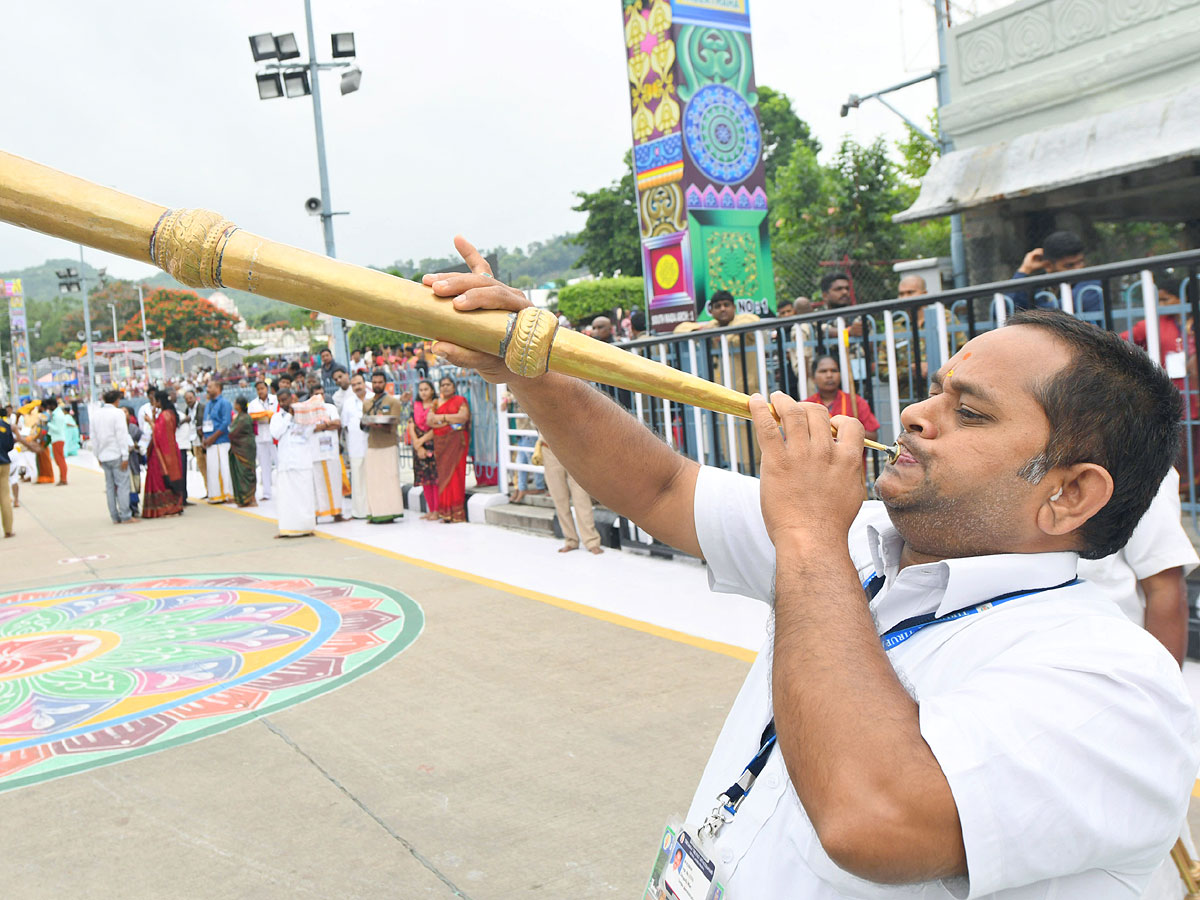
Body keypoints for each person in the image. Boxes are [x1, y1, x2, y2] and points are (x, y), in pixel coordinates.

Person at [425, 238, 1199, 897]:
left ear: (1069, 495)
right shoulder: (858, 542)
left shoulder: (1116, 681)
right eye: (934, 393)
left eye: (969, 412)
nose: (914, 417)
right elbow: (660, 486)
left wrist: (804, 535)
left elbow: (876, 817)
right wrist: (533, 370)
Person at [1009, 230, 1101, 312]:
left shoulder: (1091, 285)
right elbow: (1003, 309)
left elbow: (1060, 312)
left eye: (1081, 262)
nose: (1079, 269)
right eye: (1069, 265)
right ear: (1048, 265)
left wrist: (1029, 312)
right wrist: (1024, 270)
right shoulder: (1038, 287)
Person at [541, 437, 602, 554]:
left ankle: (591, 541)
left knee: (581, 497)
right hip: (549, 449)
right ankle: (570, 540)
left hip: (573, 448)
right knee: (559, 498)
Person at [269, 389, 317, 537]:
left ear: (293, 398)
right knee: (286, 498)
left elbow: (310, 430)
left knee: (305, 496)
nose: (283, 403)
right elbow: (276, 433)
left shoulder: (305, 414)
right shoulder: (277, 417)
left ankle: (306, 528)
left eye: (285, 400)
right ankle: (286, 529)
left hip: (302, 460)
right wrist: (289, 416)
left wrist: (297, 417)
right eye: (280, 401)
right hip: (285, 462)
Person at [803, 355, 881, 443]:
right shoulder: (805, 406)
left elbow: (873, 436)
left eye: (834, 371)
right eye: (823, 371)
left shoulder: (856, 402)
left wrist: (851, 432)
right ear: (813, 377)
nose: (829, 375)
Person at [362, 370, 406, 524]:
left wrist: (376, 423)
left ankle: (391, 512)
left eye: (380, 382)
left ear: (385, 384)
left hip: (388, 445)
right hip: (372, 445)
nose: (377, 385)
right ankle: (374, 513)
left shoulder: (393, 402)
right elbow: (364, 425)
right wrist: (366, 423)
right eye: (374, 382)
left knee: (390, 480)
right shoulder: (367, 403)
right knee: (373, 481)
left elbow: (392, 424)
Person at [428, 375, 470, 523]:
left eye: (448, 384)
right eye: (442, 385)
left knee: (456, 475)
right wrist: (449, 419)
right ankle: (445, 512)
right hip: (441, 444)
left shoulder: (460, 401)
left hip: (456, 443)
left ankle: (457, 513)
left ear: (454, 386)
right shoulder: (435, 403)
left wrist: (443, 418)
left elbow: (463, 417)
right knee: (444, 475)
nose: (445, 387)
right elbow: (430, 420)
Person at [92, 389, 135, 525]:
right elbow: (121, 436)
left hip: (104, 455)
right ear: (117, 400)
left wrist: (97, 455)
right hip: (117, 454)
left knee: (110, 487)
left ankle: (114, 517)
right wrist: (125, 456)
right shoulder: (118, 414)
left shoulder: (96, 415)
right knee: (122, 485)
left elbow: (94, 437)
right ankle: (126, 515)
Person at [0, 409, 45, 537]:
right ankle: (8, 530)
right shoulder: (6, 426)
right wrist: (33, 448)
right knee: (4, 497)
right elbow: (11, 445)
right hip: (4, 463)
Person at [142, 390, 185, 518]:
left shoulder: (165, 415)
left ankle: (166, 507)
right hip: (169, 450)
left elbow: (159, 433)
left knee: (159, 478)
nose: (153, 404)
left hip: (161, 453)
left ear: (159, 401)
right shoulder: (169, 414)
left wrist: (150, 421)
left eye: (154, 401)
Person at [308, 384, 343, 522]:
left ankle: (337, 513)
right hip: (315, 452)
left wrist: (320, 426)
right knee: (317, 484)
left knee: (335, 481)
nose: (320, 397)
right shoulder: (307, 411)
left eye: (322, 393)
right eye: (317, 394)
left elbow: (337, 423)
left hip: (330, 450)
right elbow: (308, 429)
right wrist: (327, 424)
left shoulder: (331, 407)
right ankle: (317, 514)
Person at [407, 379, 440, 520]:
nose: (423, 392)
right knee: (425, 479)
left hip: (433, 444)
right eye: (421, 390)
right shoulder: (415, 406)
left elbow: (437, 427)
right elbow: (410, 425)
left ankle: (437, 510)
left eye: (426, 389)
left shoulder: (436, 404)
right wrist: (417, 444)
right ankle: (430, 509)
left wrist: (422, 440)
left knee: (435, 478)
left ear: (432, 390)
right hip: (419, 446)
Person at [342, 373, 369, 519]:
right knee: (358, 480)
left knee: (372, 479)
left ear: (365, 383)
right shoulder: (348, 403)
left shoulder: (372, 399)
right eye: (354, 385)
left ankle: (373, 510)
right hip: (356, 447)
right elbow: (345, 425)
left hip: (373, 446)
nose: (357, 387)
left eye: (359, 383)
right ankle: (359, 512)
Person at [202, 381, 233, 503]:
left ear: (218, 387)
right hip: (210, 442)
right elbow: (206, 423)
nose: (207, 389)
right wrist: (205, 438)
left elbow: (226, 422)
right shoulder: (208, 404)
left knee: (224, 468)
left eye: (210, 386)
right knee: (212, 469)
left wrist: (213, 437)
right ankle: (215, 495)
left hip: (221, 441)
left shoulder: (224, 403)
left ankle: (227, 494)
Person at [247, 379, 278, 500]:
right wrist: (264, 416)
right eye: (258, 389)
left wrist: (267, 416)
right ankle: (266, 493)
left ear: (267, 389)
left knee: (279, 462)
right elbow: (252, 418)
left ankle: (283, 491)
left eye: (262, 388)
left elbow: (275, 414)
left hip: (273, 435)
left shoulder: (274, 400)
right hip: (260, 436)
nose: (261, 391)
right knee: (264, 466)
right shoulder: (253, 404)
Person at [229, 396, 258, 508]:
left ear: (239, 405)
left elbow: (233, 432)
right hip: (240, 448)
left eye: (235, 403)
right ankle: (243, 499)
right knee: (242, 473)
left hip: (245, 449)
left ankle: (250, 498)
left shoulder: (243, 418)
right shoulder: (240, 417)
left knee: (247, 472)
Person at [180, 389, 206, 498]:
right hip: (194, 441)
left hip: (203, 440)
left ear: (195, 397)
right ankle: (208, 490)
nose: (189, 400)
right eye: (187, 399)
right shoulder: (187, 410)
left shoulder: (202, 408)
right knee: (201, 467)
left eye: (190, 398)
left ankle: (213, 491)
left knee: (208, 466)